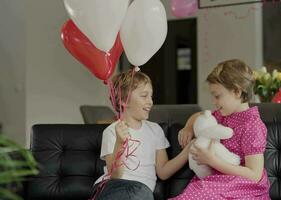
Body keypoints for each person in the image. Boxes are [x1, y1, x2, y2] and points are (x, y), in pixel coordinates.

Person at [173, 59, 270, 200]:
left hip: (245, 187)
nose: (214, 101)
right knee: (195, 192)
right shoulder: (223, 115)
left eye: (217, 96)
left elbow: (254, 174)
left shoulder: (252, 125)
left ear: (237, 91)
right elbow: (200, 115)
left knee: (198, 193)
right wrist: (188, 127)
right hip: (220, 180)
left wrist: (212, 161)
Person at [93, 69, 192, 200]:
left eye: (151, 96)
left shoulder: (155, 130)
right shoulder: (111, 132)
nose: (150, 102)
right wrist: (120, 143)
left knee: (142, 192)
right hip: (112, 187)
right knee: (140, 192)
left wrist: (188, 151)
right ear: (124, 101)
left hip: (141, 191)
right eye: (144, 96)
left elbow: (162, 171)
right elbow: (116, 175)